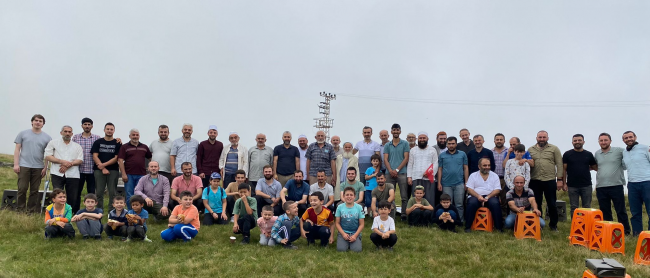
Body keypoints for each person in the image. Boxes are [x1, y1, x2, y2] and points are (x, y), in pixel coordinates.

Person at [594, 133, 630, 235]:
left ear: (610, 141)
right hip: (601, 186)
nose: (603, 142)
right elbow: (594, 166)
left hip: (616, 185)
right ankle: (608, 231)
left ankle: (625, 231)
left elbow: (630, 154)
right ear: (598, 142)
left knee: (620, 210)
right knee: (605, 211)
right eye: (601, 140)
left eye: (606, 140)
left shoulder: (619, 151)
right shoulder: (597, 154)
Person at [14, 114, 52, 213]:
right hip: (24, 165)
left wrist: (45, 167)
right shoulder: (22, 134)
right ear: (32, 122)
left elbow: (48, 154)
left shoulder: (47, 137)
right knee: (22, 188)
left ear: (43, 124)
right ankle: (20, 210)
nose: (38, 122)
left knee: (34, 190)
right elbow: (17, 149)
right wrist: (16, 164)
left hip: (39, 167)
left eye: (40, 121)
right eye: (36, 120)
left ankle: (31, 211)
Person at [528, 130, 563, 232]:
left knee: (552, 203)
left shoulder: (554, 149)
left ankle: (553, 225)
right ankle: (538, 224)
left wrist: (559, 179)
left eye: (544, 137)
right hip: (534, 180)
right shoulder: (530, 149)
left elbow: (559, 164)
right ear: (536, 138)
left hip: (549, 180)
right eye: (540, 137)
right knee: (536, 203)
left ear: (547, 138)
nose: (542, 139)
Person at [44, 125, 83, 213]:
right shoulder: (53, 143)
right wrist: (61, 161)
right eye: (65, 131)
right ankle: (57, 213)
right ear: (61, 133)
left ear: (72, 134)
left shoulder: (77, 146)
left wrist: (69, 164)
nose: (67, 133)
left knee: (72, 196)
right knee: (57, 195)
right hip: (57, 173)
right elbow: (48, 156)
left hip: (73, 174)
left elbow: (80, 160)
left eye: (69, 132)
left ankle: (70, 214)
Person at [622, 131, 650, 236]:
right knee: (635, 212)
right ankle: (637, 234)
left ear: (635, 137)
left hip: (647, 182)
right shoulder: (624, 152)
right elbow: (624, 166)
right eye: (626, 138)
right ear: (623, 140)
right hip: (632, 184)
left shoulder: (645, 148)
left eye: (630, 137)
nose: (629, 139)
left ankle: (649, 235)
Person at [563, 134, 597, 218]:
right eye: (575, 141)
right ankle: (575, 227)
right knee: (574, 208)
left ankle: (586, 226)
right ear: (572, 142)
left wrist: (586, 168)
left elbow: (595, 167)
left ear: (583, 142)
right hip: (572, 185)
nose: (577, 142)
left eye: (579, 140)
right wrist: (564, 183)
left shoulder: (588, 154)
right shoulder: (567, 154)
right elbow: (564, 170)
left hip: (586, 185)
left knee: (587, 207)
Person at [464, 158, 503, 233]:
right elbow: (469, 189)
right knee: (472, 203)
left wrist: (487, 197)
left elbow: (497, 190)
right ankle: (468, 227)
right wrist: (478, 196)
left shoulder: (494, 176)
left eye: (489, 165)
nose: (487, 167)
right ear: (479, 166)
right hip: (475, 196)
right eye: (485, 165)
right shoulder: (473, 175)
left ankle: (499, 228)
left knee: (495, 203)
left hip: (490, 196)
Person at [117, 128, 152, 209]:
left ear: (139, 136)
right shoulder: (124, 147)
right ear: (130, 136)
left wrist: (149, 168)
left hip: (142, 175)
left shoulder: (144, 147)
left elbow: (150, 158)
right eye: (133, 135)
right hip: (129, 175)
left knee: (140, 194)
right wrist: (123, 174)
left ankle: (140, 212)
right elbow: (120, 160)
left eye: (137, 135)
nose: (135, 136)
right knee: (129, 194)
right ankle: (130, 212)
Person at [437, 136, 469, 222]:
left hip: (459, 183)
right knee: (447, 204)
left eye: (453, 144)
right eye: (449, 144)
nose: (451, 145)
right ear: (446, 145)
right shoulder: (442, 155)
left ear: (456, 144)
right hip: (446, 184)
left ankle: (460, 221)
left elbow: (465, 168)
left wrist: (466, 182)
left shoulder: (462, 154)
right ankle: (448, 220)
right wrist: (439, 183)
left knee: (459, 204)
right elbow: (440, 169)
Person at [91, 122, 122, 211]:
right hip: (99, 170)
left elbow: (116, 158)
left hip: (113, 170)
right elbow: (95, 156)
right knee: (99, 192)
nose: (109, 131)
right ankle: (99, 210)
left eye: (111, 129)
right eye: (107, 129)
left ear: (114, 131)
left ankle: (111, 211)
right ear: (104, 130)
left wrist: (104, 165)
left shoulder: (117, 143)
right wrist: (102, 168)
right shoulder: (98, 142)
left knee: (112, 192)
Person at [383, 123, 410, 221]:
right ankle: (390, 214)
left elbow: (406, 158)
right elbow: (385, 159)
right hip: (389, 173)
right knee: (390, 195)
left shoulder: (405, 143)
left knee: (404, 196)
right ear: (391, 132)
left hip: (402, 172)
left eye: (397, 130)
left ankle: (403, 215)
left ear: (400, 131)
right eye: (394, 130)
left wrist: (397, 170)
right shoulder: (387, 145)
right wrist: (390, 170)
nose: (396, 131)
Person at [72, 117, 101, 198]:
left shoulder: (97, 138)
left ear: (92, 126)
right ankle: (75, 210)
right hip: (78, 169)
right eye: (85, 124)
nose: (87, 126)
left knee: (91, 192)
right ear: (82, 126)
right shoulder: (76, 137)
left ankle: (91, 209)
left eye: (89, 124)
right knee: (77, 191)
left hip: (92, 169)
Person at [407, 132, 438, 206]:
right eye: (420, 138)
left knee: (429, 198)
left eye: (424, 138)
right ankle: (416, 214)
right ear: (418, 139)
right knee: (416, 198)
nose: (422, 139)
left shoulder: (432, 150)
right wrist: (409, 177)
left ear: (427, 139)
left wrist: (429, 173)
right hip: (415, 177)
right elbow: (410, 164)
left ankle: (429, 215)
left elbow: (435, 163)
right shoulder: (413, 150)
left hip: (428, 178)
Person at [335, 187, 365, 252]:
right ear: (343, 196)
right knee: (341, 249)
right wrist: (343, 234)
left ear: (354, 196)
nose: (349, 197)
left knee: (357, 250)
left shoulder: (359, 207)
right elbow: (337, 223)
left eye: (351, 195)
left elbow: (362, 224)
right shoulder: (340, 207)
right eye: (347, 195)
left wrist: (355, 236)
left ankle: (356, 239)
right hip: (343, 232)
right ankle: (344, 241)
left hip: (355, 232)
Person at [492, 133, 509, 219]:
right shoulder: (490, 152)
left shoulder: (508, 151)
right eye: (497, 139)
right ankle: (495, 217)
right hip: (493, 179)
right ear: (494, 141)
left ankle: (504, 218)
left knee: (504, 199)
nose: (499, 141)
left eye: (501, 139)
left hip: (505, 179)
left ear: (504, 141)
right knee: (494, 199)